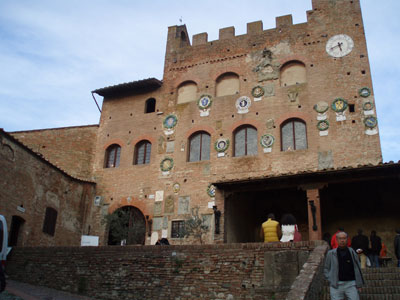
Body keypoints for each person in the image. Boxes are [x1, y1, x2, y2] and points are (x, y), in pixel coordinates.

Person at [324, 231, 364, 300]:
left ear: (347, 239)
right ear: (336, 240)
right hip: (336, 284)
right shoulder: (331, 253)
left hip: (351, 284)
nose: (342, 240)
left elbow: (357, 268)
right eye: (340, 238)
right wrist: (330, 278)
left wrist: (359, 284)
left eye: (344, 238)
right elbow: (326, 268)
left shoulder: (352, 252)